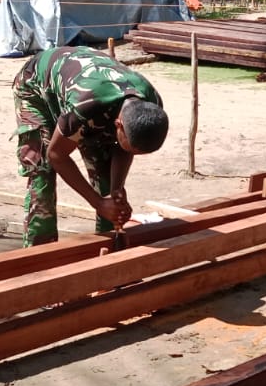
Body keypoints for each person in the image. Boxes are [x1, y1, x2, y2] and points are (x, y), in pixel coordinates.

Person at [12, 46, 170, 246]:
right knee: (43, 172)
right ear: (118, 125)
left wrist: (115, 190)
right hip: (37, 85)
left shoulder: (150, 104)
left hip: (87, 92)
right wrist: (98, 203)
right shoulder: (85, 107)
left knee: (105, 181)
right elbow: (56, 155)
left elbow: (123, 148)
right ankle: (39, 253)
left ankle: (108, 247)